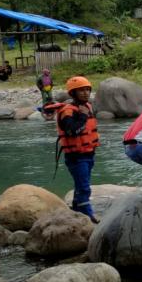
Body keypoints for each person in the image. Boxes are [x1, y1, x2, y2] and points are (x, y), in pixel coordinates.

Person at [56, 76, 99, 222]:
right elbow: (72, 131)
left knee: (81, 184)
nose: (86, 93)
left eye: (87, 90)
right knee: (84, 187)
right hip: (76, 157)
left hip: (88, 154)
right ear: (73, 93)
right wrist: (82, 116)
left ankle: (75, 209)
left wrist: (83, 113)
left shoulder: (87, 107)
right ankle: (88, 214)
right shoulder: (68, 112)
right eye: (81, 91)